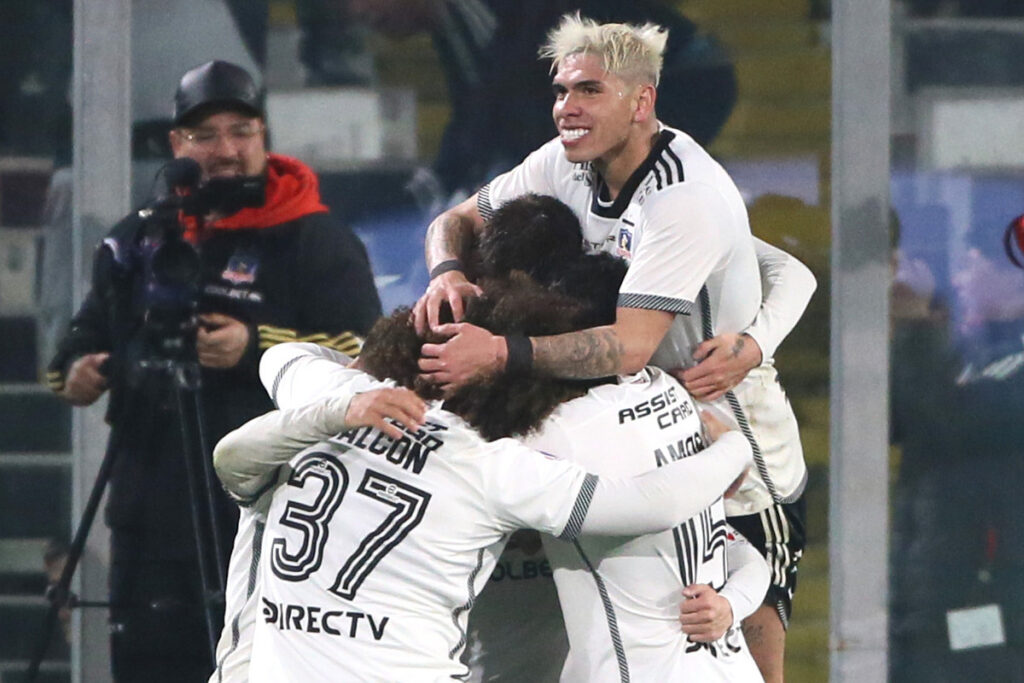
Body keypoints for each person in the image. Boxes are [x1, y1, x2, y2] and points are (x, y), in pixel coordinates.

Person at [412, 14, 815, 681]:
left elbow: (629, 347)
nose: (567, 108)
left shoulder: (686, 197)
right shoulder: (565, 163)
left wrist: (501, 353)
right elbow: (453, 220)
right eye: (561, 91)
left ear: (641, 101)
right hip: (637, 437)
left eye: (589, 91)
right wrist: (446, 271)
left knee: (733, 657)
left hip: (738, 461)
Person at [212, 266, 759, 681]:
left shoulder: (331, 398)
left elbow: (277, 364)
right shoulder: (487, 466)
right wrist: (735, 447)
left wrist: (352, 391)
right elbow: (651, 504)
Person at [45, 59, 381, 682]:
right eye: (206, 135)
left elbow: (362, 353)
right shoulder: (139, 239)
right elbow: (75, 344)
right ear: (177, 145)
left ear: (263, 136)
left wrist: (253, 345)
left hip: (271, 503)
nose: (225, 149)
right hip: (148, 502)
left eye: (240, 131)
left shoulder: (317, 238)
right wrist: (77, 372)